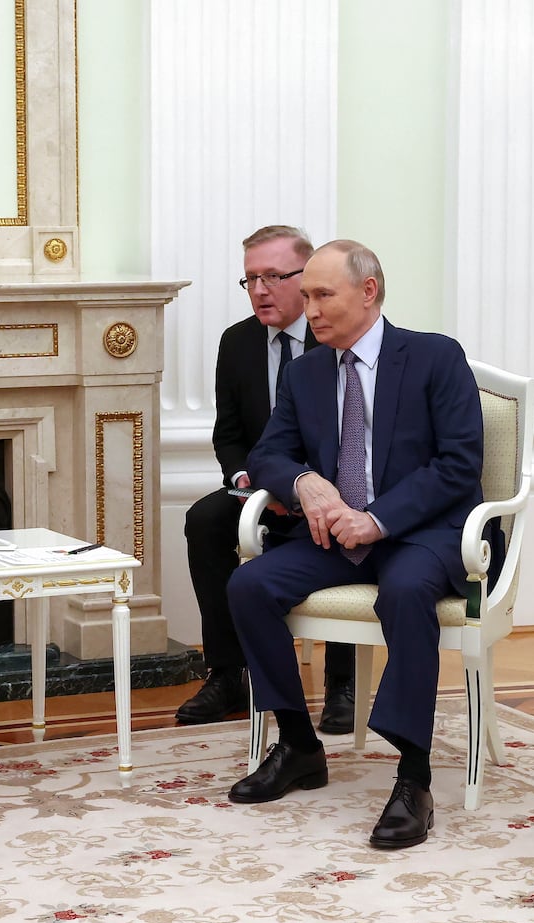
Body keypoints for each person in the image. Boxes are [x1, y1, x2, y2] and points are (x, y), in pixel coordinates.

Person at [224, 239, 485, 850]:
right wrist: (304, 482)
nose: (308, 308)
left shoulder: (434, 357)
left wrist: (379, 519)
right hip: (333, 533)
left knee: (405, 590)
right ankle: (297, 743)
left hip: (421, 533)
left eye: (321, 294)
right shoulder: (307, 370)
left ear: (368, 292)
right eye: (306, 295)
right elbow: (267, 452)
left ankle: (412, 775)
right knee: (250, 585)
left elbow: (459, 464)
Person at [178, 225, 355, 732]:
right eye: (250, 279)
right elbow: (229, 435)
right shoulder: (237, 343)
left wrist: (306, 489)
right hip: (258, 489)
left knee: (339, 525)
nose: (259, 290)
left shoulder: (340, 343)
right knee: (205, 521)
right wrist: (248, 485)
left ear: (306, 279)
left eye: (273, 277)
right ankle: (228, 674)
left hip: (332, 488)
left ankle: (342, 682)